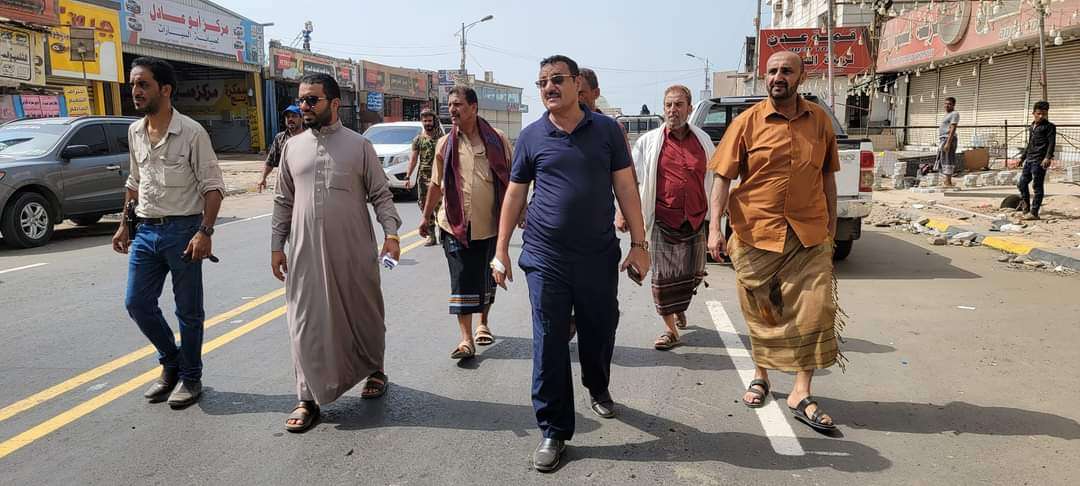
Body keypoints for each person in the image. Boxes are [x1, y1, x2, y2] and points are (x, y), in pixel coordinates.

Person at [492, 55, 650, 472]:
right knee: (549, 339)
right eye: (542, 81)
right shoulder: (531, 136)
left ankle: (597, 385)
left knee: (600, 328)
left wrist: (639, 244)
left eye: (557, 79)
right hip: (545, 257)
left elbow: (625, 187)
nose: (549, 87)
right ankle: (554, 428)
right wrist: (501, 248)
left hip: (598, 256)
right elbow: (515, 194)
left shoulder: (606, 131)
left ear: (578, 83)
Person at [707, 51, 843, 433]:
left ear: (802, 77)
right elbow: (722, 178)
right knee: (764, 312)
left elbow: (828, 177)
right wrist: (715, 228)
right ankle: (761, 374)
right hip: (756, 231)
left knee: (815, 310)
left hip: (809, 233)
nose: (778, 77)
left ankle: (802, 391)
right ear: (764, 77)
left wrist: (831, 226)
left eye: (786, 71)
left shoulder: (820, 122)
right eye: (772, 71)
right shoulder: (747, 122)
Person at [270, 73, 402, 433]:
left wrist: (391, 233)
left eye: (312, 100)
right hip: (304, 252)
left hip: (353, 250)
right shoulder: (291, 147)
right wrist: (276, 246)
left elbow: (381, 194)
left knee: (364, 314)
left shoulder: (359, 146)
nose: (304, 106)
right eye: (301, 100)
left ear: (333, 103)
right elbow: (282, 201)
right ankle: (306, 397)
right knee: (303, 321)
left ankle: (374, 369)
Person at [112, 57, 225, 409]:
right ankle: (171, 361)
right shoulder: (135, 131)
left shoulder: (191, 132)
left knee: (188, 312)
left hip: (184, 231)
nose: (135, 91)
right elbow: (134, 182)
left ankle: (190, 377)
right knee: (137, 303)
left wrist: (204, 232)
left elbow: (213, 188)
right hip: (146, 231)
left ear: (165, 89)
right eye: (133, 84)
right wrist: (124, 224)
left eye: (143, 84)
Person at [419, 87, 512, 360]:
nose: (452, 109)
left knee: (486, 277)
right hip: (454, 223)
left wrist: (520, 212)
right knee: (461, 278)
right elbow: (436, 184)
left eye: (458, 104)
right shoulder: (444, 144)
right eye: (450, 105)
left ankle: (483, 323)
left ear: (473, 107)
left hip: (490, 223)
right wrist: (425, 217)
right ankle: (466, 339)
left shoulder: (497, 139)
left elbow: (512, 181)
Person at [632, 85, 715, 350]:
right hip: (662, 219)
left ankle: (679, 307)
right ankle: (670, 330)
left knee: (693, 275)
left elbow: (714, 178)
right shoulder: (648, 143)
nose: (672, 110)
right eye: (668, 105)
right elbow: (633, 180)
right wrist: (625, 213)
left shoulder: (703, 141)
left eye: (679, 105)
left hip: (695, 220)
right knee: (663, 278)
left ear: (689, 109)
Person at [405, 108, 446, 245]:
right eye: (425, 121)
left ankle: (443, 233)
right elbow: (413, 159)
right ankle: (431, 235)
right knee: (424, 206)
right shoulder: (418, 140)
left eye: (430, 120)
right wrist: (407, 176)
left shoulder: (441, 139)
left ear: (434, 121)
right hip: (423, 178)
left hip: (438, 177)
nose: (428, 123)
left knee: (440, 206)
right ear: (422, 122)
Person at [1017, 100, 1056, 221]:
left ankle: (1034, 212)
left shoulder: (1049, 127)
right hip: (1029, 159)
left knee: (1037, 186)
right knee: (1022, 183)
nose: (1041, 116)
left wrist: (1047, 157)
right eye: (1038, 113)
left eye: (1044, 114)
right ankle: (1026, 208)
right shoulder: (1032, 126)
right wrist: (1022, 157)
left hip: (1039, 160)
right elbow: (1029, 144)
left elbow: (1051, 143)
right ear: (1033, 113)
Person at [257, 105, 304, 193]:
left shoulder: (310, 137)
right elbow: (270, 161)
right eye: (287, 117)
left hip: (305, 183)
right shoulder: (280, 138)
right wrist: (262, 177)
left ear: (302, 119)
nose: (290, 119)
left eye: (294, 116)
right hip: (286, 184)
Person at [935, 97, 960, 187]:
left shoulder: (954, 114)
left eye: (949, 104)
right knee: (944, 159)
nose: (947, 105)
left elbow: (953, 128)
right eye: (945, 103)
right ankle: (946, 181)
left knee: (948, 159)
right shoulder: (947, 114)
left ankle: (948, 182)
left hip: (948, 139)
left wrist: (948, 143)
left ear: (953, 105)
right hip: (943, 139)